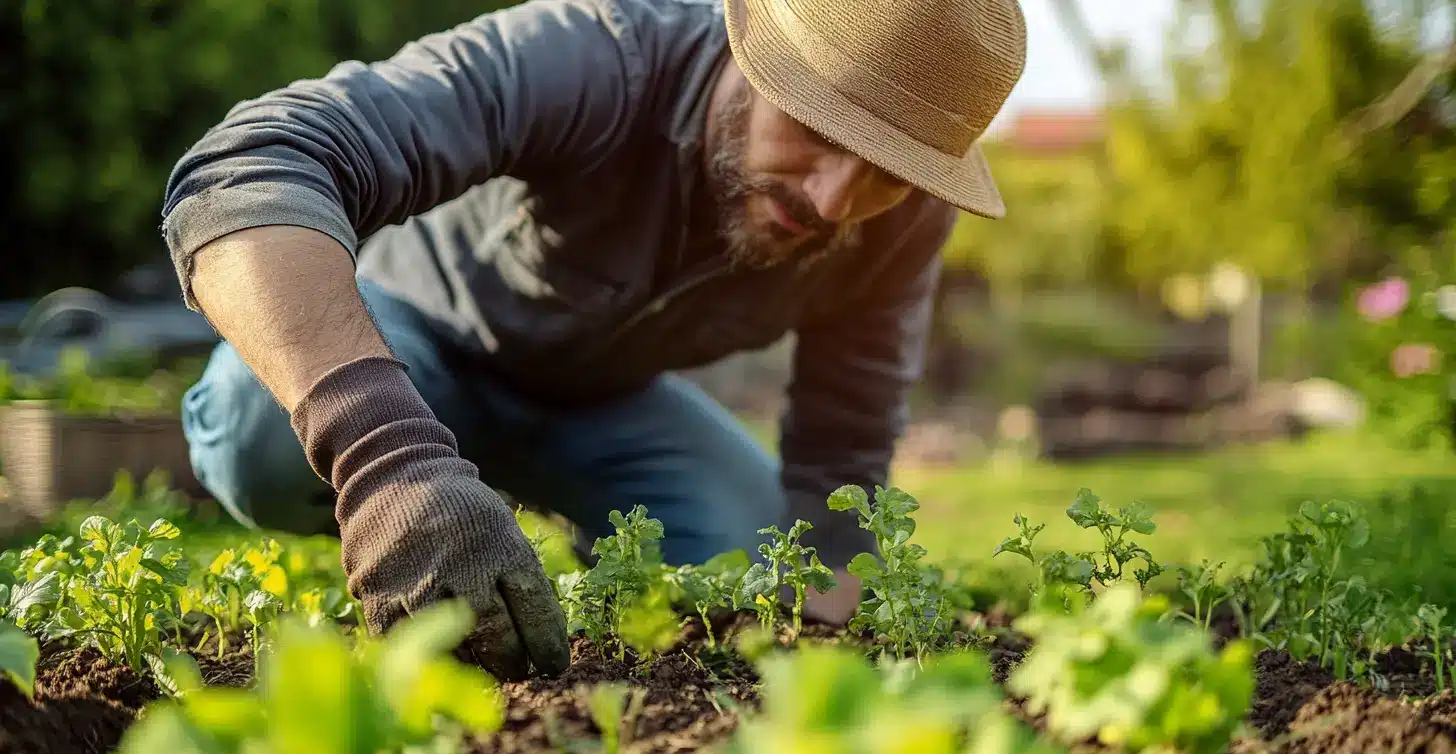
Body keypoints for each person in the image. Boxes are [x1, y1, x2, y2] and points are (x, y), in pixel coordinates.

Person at [163, 0, 1027, 681]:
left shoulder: (903, 216)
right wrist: (389, 462)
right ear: (755, 54)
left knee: (752, 555)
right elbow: (249, 165)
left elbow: (847, 430)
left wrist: (834, 618)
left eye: (886, 169)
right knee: (256, 438)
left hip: (605, 405)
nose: (836, 202)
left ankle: (541, 542)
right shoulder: (597, 57)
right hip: (419, 347)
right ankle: (414, 493)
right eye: (823, 134)